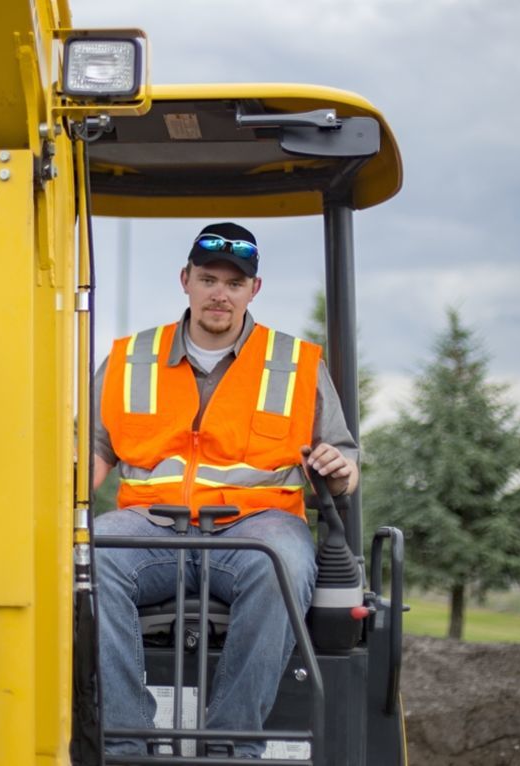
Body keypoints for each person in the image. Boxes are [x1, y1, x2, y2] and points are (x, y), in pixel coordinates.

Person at [91, 222, 360, 758]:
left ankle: (231, 747)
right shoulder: (127, 358)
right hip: (151, 526)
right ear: (185, 280)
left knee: (281, 561)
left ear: (253, 290)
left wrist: (338, 467)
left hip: (257, 527)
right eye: (209, 279)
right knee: (91, 555)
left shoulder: (295, 362)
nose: (220, 293)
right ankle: (126, 743)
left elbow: (343, 459)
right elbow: (95, 451)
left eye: (234, 284)